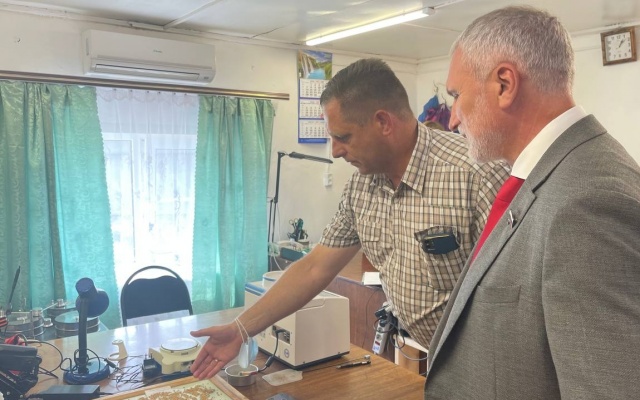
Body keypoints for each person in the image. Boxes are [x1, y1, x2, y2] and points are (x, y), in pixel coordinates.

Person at [189, 58, 509, 380]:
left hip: (494, 363)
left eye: (343, 137)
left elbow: (516, 297)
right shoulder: (361, 186)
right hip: (438, 357)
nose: (335, 151)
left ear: (383, 122)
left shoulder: (476, 175)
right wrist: (241, 329)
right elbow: (315, 268)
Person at [425, 6, 640, 399]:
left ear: (504, 84)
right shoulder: (552, 175)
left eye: (456, 95)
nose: (452, 119)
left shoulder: (588, 202)